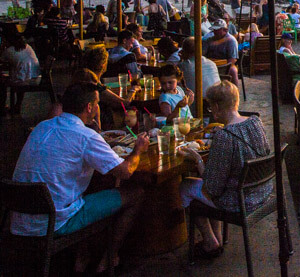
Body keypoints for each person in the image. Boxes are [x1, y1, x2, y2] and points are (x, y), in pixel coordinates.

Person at [11, 83, 148, 273]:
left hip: (19, 219)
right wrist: (138, 150)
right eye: (97, 104)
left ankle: (82, 257)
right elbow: (125, 171)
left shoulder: (42, 126)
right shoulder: (85, 136)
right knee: (136, 193)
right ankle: (110, 258)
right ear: (89, 107)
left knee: (89, 189)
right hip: (53, 222)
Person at [178, 81, 271, 259]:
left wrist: (197, 159)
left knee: (186, 186)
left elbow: (212, 188)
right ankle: (217, 238)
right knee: (211, 186)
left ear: (218, 106)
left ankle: (210, 241)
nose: (211, 112)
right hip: (262, 192)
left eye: (211, 107)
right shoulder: (255, 122)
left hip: (240, 201)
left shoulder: (224, 136)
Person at [0, 27, 40, 115]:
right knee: (19, 76)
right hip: (36, 77)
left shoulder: (9, 51)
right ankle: (17, 105)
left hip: (24, 80)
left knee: (2, 82)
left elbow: (1, 60)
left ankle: (2, 107)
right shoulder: (27, 47)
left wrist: (3, 47)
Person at [205, 19, 239, 85]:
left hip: (225, 66)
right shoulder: (209, 39)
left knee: (233, 70)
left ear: (225, 30)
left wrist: (220, 66)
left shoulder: (231, 41)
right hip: (210, 65)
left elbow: (232, 60)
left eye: (218, 30)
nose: (215, 31)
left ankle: (235, 92)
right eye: (214, 30)